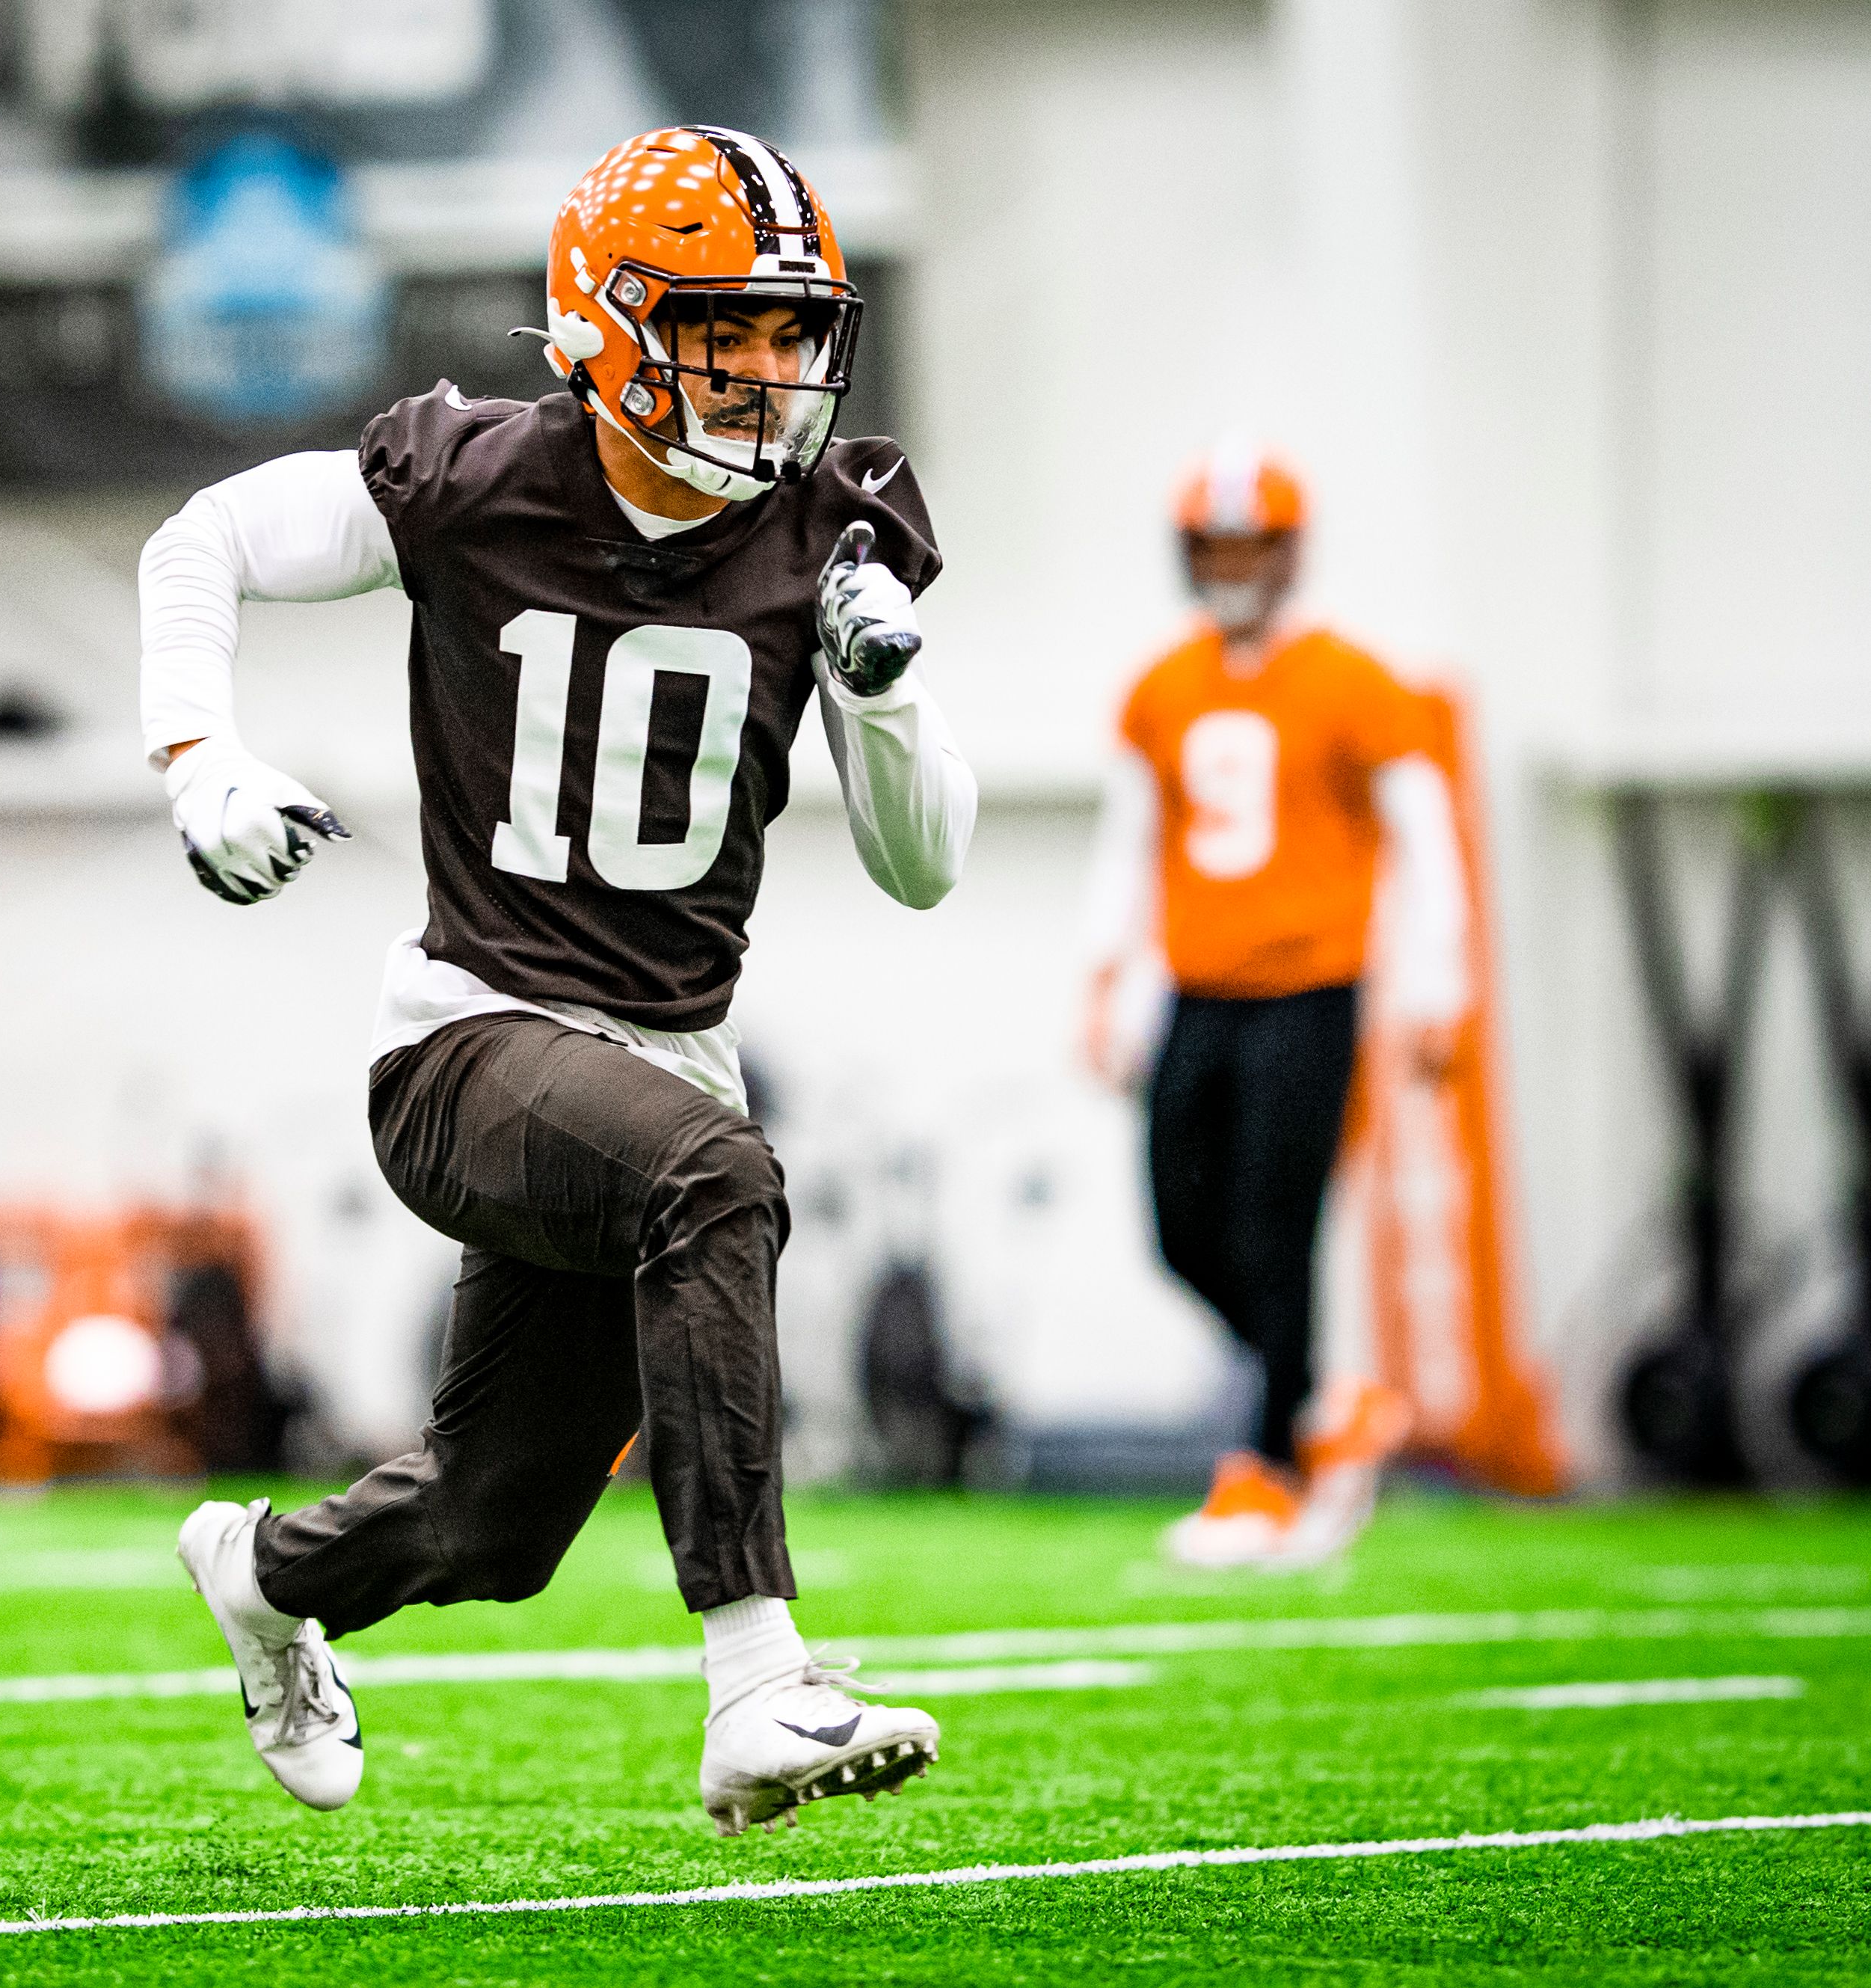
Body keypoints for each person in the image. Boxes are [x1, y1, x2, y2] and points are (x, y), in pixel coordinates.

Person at [141, 127, 977, 1835]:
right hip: (466, 1049)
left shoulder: (827, 523)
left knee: (492, 1526)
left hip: (658, 1068)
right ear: (603, 324)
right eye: (719, 327)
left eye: (784, 330)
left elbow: (922, 868)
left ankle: (267, 1578)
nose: (763, 372)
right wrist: (197, 758)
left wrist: (878, 687)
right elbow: (198, 542)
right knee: (719, 1182)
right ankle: (758, 1682)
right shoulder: (477, 480)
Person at [1078, 438, 1466, 1571]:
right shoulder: (1162, 687)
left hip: (1311, 986)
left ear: (1289, 554)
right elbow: (1128, 844)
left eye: (1251, 544)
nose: (1232, 565)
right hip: (1198, 988)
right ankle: (1327, 1403)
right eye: (1215, 545)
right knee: (1178, 1226)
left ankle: (1268, 1468)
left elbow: (1426, 841)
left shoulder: (1353, 680)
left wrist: (1441, 981)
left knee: (1274, 1228)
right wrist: (1106, 973)